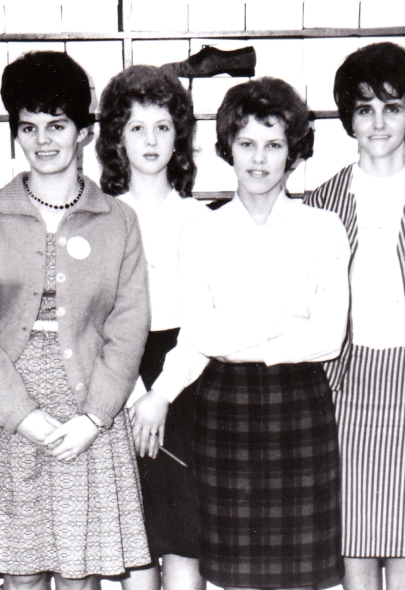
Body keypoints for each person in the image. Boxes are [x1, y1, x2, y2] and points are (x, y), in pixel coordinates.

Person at [0, 51, 151, 589]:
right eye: (28, 127)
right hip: (4, 408)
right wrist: (23, 416)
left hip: (87, 409)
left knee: (81, 577)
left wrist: (94, 418)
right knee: (22, 575)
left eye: (57, 125)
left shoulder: (118, 221)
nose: (43, 140)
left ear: (82, 131)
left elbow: (127, 329)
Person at [147, 77, 350, 590]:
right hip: (226, 407)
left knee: (297, 578)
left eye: (274, 144)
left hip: (298, 404)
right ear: (228, 150)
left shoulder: (323, 228)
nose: (259, 159)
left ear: (293, 152)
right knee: (235, 577)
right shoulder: (203, 230)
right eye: (246, 144)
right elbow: (199, 335)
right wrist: (282, 323)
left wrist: (236, 332)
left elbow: (327, 338)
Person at [304, 42, 405, 590]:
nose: (379, 122)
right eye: (364, 108)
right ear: (348, 119)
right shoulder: (320, 203)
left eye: (393, 107)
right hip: (347, 387)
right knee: (354, 533)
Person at [96, 65, 208, 590]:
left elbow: (208, 320)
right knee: (135, 537)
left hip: (186, 379)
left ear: (179, 136)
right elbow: (94, 319)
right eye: (137, 127)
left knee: (185, 533)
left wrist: (160, 394)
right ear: (116, 137)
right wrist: (134, 392)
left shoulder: (201, 220)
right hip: (120, 377)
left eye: (162, 126)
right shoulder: (100, 217)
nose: (150, 139)